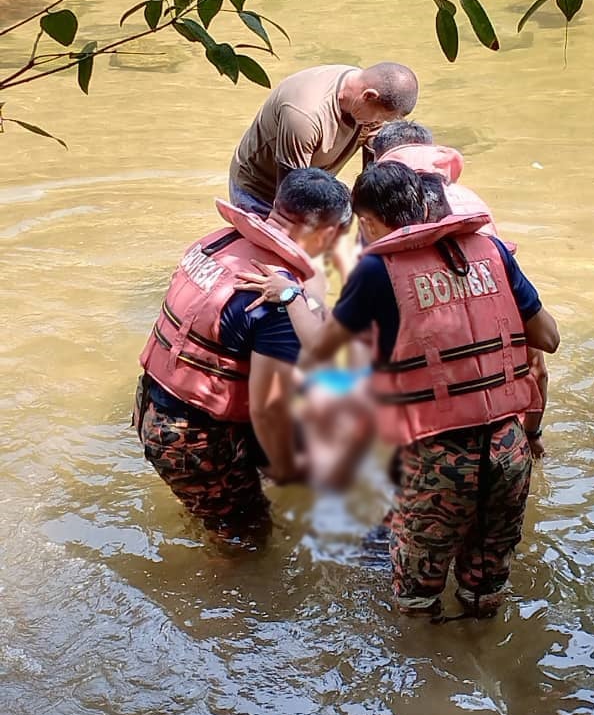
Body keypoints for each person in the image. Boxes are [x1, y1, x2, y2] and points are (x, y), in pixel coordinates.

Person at [240, 163, 559, 617]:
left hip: (439, 457)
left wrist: (290, 295)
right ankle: (485, 649)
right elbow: (549, 337)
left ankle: (430, 677)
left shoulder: (378, 271)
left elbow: (321, 350)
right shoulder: (490, 250)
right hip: (508, 449)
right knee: (485, 586)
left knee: (417, 597)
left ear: (368, 223)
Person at [133, 168, 352, 537]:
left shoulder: (217, 242)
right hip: (191, 438)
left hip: (153, 407)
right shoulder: (272, 298)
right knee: (247, 541)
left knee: (218, 517)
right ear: (329, 234)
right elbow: (267, 410)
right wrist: (290, 473)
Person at [372, 120, 549, 458]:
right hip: (495, 296)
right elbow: (543, 345)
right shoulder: (469, 200)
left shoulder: (383, 207)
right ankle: (531, 439)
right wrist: (533, 433)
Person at [229, 62, 419, 217]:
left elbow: (371, 166)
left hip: (313, 179)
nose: (379, 124)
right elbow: (290, 196)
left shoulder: (363, 94)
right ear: (368, 96)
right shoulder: (305, 116)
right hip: (260, 191)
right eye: (380, 119)